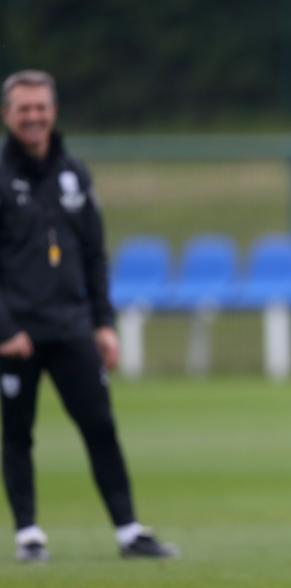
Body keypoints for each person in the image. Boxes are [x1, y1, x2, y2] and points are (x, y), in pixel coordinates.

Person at [0, 70, 177, 562]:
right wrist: (5, 328)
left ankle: (128, 531)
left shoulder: (73, 173)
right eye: (24, 109)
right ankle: (28, 534)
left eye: (41, 107)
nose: (34, 117)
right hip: (18, 333)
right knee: (17, 432)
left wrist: (104, 323)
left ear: (53, 111)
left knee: (99, 425)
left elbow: (95, 254)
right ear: (7, 115)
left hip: (72, 324)